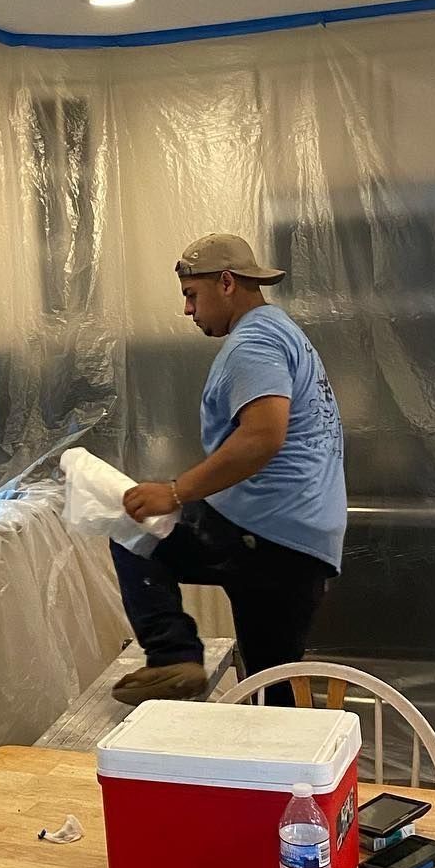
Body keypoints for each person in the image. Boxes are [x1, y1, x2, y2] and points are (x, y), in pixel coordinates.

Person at [111, 233, 346, 706]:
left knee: (132, 529)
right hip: (298, 536)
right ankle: (299, 771)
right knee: (273, 686)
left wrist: (175, 493)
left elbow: (262, 436)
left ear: (225, 283)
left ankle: (174, 657)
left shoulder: (253, 343)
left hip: (268, 534)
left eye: (191, 295)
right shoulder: (280, 331)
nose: (188, 310)